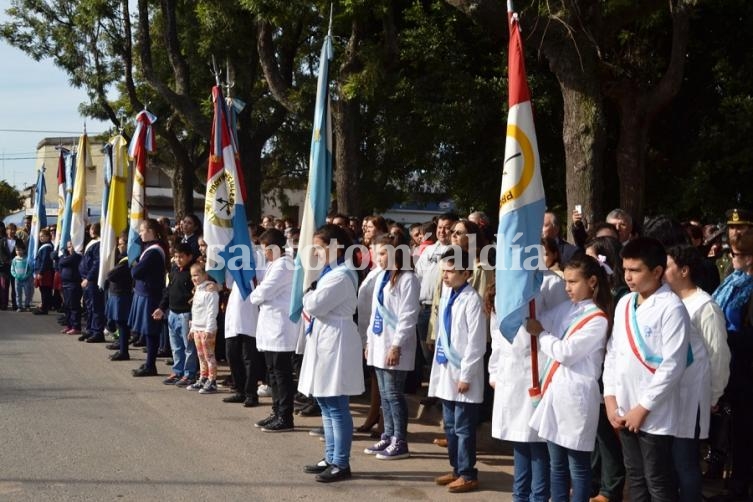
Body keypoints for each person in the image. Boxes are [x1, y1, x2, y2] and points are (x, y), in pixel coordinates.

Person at [602, 237, 690, 500]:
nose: (628, 277)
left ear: (657, 271)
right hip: (623, 407)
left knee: (658, 480)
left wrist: (643, 408)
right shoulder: (625, 303)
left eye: (635, 270)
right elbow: (613, 352)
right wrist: (609, 398)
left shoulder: (672, 308)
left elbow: (673, 365)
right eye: (625, 269)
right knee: (636, 476)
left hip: (655, 411)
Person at [526, 255, 612, 502]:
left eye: (573, 282)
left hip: (577, 399)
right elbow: (541, 318)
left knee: (578, 467)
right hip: (555, 393)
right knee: (557, 465)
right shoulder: (569, 308)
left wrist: (542, 335)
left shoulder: (597, 319)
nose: (567, 287)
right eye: (566, 281)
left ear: (592, 281)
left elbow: (567, 353)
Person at [489, 265, 568, 502]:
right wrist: (494, 369)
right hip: (511, 373)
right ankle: (520, 496)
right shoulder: (504, 281)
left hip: (539, 370)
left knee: (537, 443)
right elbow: (497, 331)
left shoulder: (550, 283)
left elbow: (559, 326)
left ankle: (538, 497)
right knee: (520, 441)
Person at [299, 224, 363, 483]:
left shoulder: (340, 275)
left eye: (320, 247)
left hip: (336, 339)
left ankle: (341, 462)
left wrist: (308, 296)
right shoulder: (331, 272)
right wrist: (310, 296)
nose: (315, 252)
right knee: (325, 402)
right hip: (325, 338)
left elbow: (315, 304)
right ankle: (330, 456)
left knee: (336, 404)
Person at [664, 244, 726, 501]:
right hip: (669, 396)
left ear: (684, 270)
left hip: (693, 396)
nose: (662, 271)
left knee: (686, 460)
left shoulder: (705, 306)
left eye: (667, 266)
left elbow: (718, 355)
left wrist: (714, 395)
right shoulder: (666, 301)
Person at [428, 248, 487, 493]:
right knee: (450, 426)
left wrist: (466, 375)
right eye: (444, 270)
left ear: (466, 272)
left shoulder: (472, 299)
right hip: (445, 371)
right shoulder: (447, 295)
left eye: (451, 271)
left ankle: (467, 472)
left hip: (463, 374)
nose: (445, 275)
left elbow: (475, 342)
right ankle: (456, 468)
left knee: (463, 428)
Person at [362, 234, 419, 460]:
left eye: (383, 253)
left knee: (394, 393)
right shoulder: (382, 276)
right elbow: (375, 312)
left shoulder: (408, 279)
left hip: (396, 345)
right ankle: (387, 434)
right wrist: (369, 341)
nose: (378, 257)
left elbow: (408, 316)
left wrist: (396, 345)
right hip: (378, 341)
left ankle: (400, 440)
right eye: (377, 253)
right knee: (385, 394)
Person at [711, 232, 753, 499]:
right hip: (737, 370)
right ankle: (736, 484)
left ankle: (740, 488)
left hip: (747, 369)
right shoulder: (735, 281)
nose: (731, 258)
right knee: (740, 430)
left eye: (736, 255)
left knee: (746, 431)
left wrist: (723, 338)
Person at [250, 228, 299, 432]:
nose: (264, 254)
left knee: (281, 374)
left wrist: (256, 294)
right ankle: (276, 411)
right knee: (272, 372)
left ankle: (285, 416)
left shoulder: (284, 266)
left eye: (265, 249)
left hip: (280, 327)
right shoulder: (275, 264)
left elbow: (262, 293)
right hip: (270, 326)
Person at [154, 242, 198, 387]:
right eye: (176, 256)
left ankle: (189, 373)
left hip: (187, 314)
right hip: (172, 313)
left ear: (189, 256)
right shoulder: (174, 271)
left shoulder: (194, 272)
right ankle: (177, 371)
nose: (178, 259)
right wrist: (161, 308)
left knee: (189, 347)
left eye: (182, 257)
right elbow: (168, 291)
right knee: (176, 346)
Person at [129, 219, 169, 377]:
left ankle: (151, 365)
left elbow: (136, 272)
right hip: (143, 293)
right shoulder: (149, 248)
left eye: (143, 230)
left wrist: (135, 266)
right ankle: (148, 362)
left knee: (151, 331)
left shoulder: (154, 251)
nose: (140, 233)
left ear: (151, 231)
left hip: (150, 295)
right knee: (147, 331)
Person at [185, 262, 220, 394]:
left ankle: (212, 380)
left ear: (205, 275)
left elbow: (212, 312)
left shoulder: (210, 291)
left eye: (196, 275)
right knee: (201, 356)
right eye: (192, 276)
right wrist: (192, 328)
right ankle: (203, 377)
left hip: (207, 329)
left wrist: (209, 330)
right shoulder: (197, 290)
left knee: (209, 355)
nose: (194, 278)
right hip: (197, 329)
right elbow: (195, 311)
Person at [106, 233, 133, 361]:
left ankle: (124, 351)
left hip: (122, 294)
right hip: (116, 293)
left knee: (122, 323)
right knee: (118, 323)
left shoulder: (126, 260)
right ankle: (121, 347)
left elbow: (111, 275)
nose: (120, 247)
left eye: (122, 244)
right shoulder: (119, 258)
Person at [80, 223, 105, 343]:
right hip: (86, 279)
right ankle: (90, 329)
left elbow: (97, 263)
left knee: (96, 306)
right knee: (89, 306)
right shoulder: (92, 243)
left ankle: (97, 331)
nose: (89, 230)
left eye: (91, 228)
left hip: (93, 281)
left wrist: (89, 277)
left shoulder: (99, 244)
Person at [58, 241, 83, 336]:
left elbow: (62, 262)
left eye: (71, 246)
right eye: (68, 247)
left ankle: (76, 327)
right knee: (67, 306)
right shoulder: (68, 256)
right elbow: (59, 263)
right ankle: (69, 325)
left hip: (74, 284)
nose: (70, 249)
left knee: (74, 306)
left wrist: (63, 257)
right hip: (65, 283)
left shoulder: (76, 256)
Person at [33, 229, 55, 315]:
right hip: (44, 271)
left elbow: (45, 261)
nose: (40, 238)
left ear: (48, 236)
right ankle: (46, 306)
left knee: (45, 290)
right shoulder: (45, 245)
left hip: (45, 272)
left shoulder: (47, 247)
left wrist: (41, 272)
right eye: (40, 236)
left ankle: (44, 308)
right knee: (44, 290)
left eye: (42, 236)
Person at [10, 243, 33, 312]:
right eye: (16, 250)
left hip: (26, 279)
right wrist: (16, 275)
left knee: (27, 293)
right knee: (18, 293)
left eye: (20, 250)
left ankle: (27, 305)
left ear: (23, 250)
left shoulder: (27, 259)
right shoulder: (14, 260)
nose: (18, 252)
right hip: (17, 279)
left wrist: (26, 275)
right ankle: (19, 306)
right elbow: (12, 269)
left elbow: (30, 269)